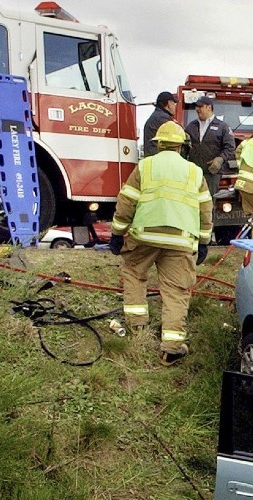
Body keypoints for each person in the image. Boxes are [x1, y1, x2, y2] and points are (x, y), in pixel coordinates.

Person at [108, 121, 214, 366]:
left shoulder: (145, 167)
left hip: (145, 236)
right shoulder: (195, 172)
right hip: (181, 240)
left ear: (158, 145)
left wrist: (117, 233)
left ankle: (137, 327)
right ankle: (172, 348)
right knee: (176, 291)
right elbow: (205, 211)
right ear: (181, 147)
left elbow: (127, 202)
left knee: (134, 274)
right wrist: (205, 241)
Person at [183, 95, 236, 197]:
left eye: (200, 106)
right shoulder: (191, 126)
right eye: (196, 106)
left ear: (209, 107)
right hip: (194, 172)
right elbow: (184, 148)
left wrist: (220, 159)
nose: (197, 109)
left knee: (209, 201)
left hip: (212, 173)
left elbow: (229, 147)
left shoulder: (222, 127)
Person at [142, 91, 178, 157]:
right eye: (174, 104)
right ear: (169, 103)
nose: (175, 107)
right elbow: (179, 135)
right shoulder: (164, 118)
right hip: (157, 158)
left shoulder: (156, 116)